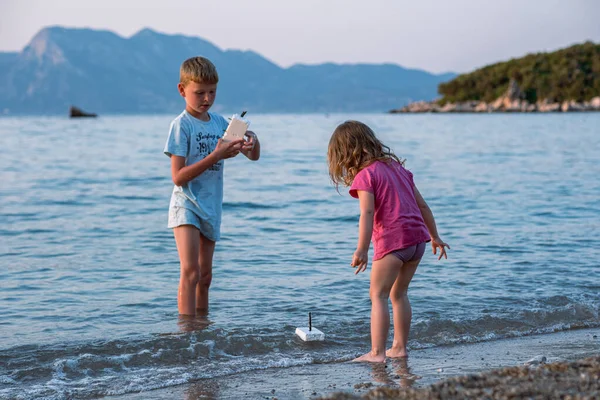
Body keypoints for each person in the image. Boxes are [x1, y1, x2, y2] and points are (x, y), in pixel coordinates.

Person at [327, 120, 449, 363]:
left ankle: (377, 353)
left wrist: (361, 249)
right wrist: (435, 236)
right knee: (399, 293)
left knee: (378, 295)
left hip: (393, 241)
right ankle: (400, 348)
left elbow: (367, 213)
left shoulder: (365, 176)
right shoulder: (398, 169)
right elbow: (423, 205)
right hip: (418, 240)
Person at [164, 56, 260, 316]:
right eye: (199, 93)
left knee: (205, 276)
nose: (206, 99)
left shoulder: (220, 124)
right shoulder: (181, 125)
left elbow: (253, 156)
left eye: (212, 92)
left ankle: (202, 331)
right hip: (186, 204)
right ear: (182, 90)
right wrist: (215, 156)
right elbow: (178, 176)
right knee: (191, 271)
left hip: (211, 204)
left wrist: (252, 142)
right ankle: (186, 333)